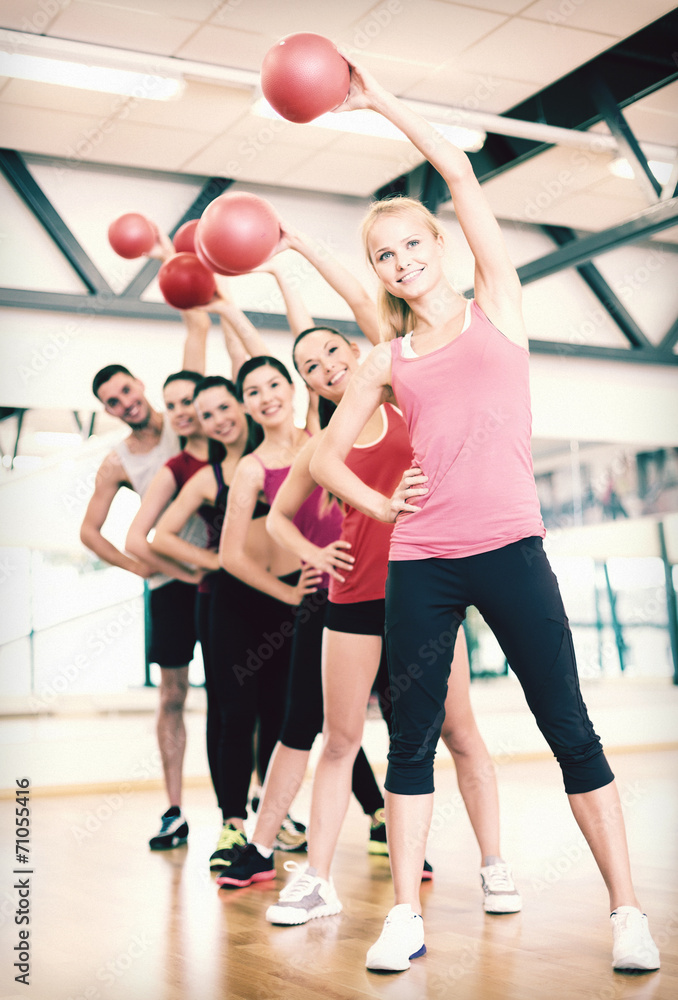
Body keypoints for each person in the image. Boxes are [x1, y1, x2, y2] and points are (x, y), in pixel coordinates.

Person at [308, 60, 660, 974]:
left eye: (411, 244)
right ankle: (404, 918)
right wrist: (383, 502)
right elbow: (321, 458)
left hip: (512, 550)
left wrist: (377, 102)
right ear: (380, 272)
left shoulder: (496, 306)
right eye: (385, 256)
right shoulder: (386, 359)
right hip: (424, 560)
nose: (402, 261)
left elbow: (461, 174)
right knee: (412, 738)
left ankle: (627, 911)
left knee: (568, 725)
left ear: (437, 245)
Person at [220, 235, 517, 919]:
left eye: (330, 352)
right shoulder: (321, 445)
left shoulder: (403, 396)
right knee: (341, 737)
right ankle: (317, 879)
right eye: (308, 366)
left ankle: (496, 865)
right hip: (353, 597)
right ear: (308, 385)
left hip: (428, 584)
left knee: (459, 731)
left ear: (357, 351)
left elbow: (362, 295)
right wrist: (314, 556)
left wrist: (296, 248)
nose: (323, 367)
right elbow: (279, 520)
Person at [80, 303, 211, 851]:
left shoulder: (188, 419)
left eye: (128, 391)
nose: (125, 403)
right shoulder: (117, 461)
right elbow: (91, 531)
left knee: (239, 690)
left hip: (223, 570)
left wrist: (182, 280)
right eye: (113, 401)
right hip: (170, 585)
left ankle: (253, 800)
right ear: (108, 410)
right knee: (173, 697)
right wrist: (141, 567)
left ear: (141, 386)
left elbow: (197, 337)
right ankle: (175, 809)